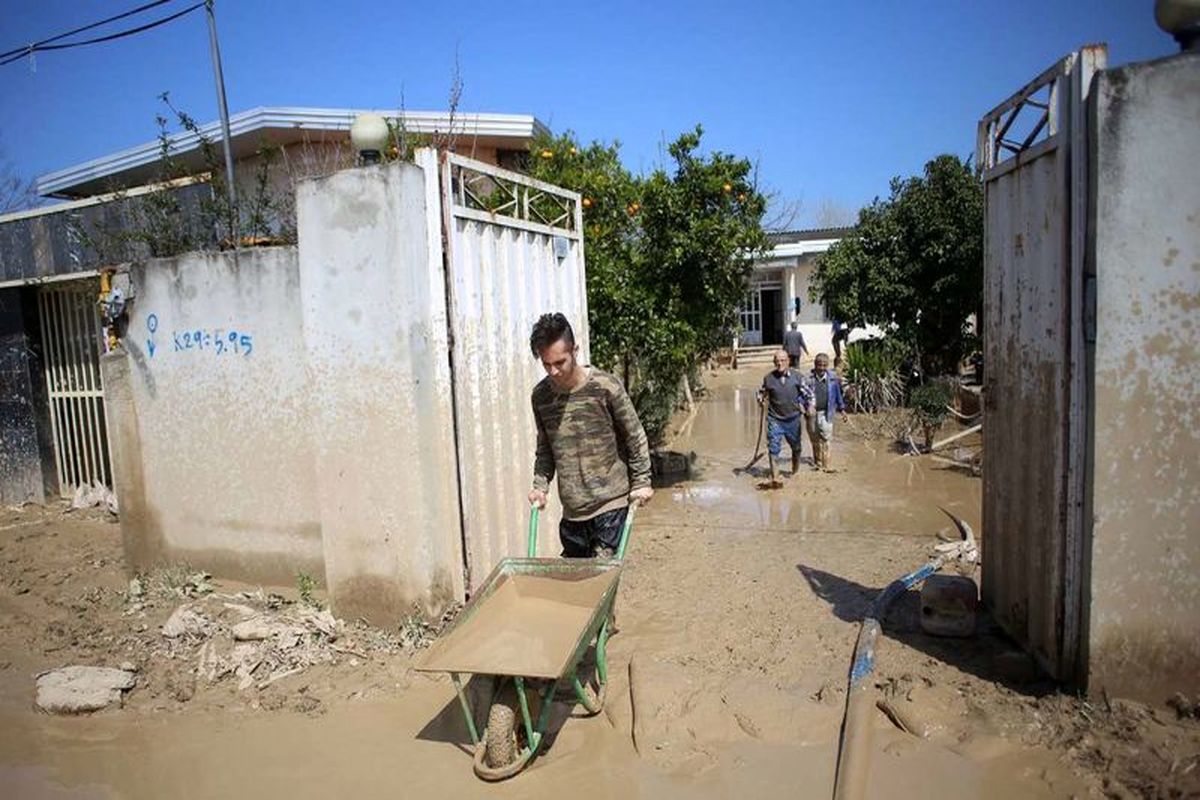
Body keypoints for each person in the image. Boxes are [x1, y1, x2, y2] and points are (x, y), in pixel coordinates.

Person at [527, 313, 653, 559]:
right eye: (546, 364)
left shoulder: (606, 387)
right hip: (573, 512)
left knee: (597, 578)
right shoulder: (541, 397)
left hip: (610, 504)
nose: (553, 371)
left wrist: (641, 482)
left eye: (559, 362)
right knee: (577, 589)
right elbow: (546, 449)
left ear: (575, 350)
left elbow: (635, 435)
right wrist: (540, 487)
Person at [758, 349, 812, 486]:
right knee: (773, 447)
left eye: (782, 360)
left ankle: (795, 472)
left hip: (793, 419)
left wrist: (810, 406)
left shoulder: (797, 377)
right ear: (774, 362)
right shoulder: (768, 378)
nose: (779, 363)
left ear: (788, 361)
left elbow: (809, 394)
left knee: (796, 447)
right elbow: (761, 392)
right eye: (777, 361)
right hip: (775, 418)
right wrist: (760, 399)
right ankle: (775, 477)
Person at [806, 352, 846, 471]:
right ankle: (817, 462)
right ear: (815, 365)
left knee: (826, 439)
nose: (822, 368)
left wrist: (842, 410)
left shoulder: (833, 379)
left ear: (827, 365)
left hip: (827, 413)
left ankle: (826, 465)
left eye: (824, 365)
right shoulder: (808, 380)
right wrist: (804, 407)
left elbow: (838, 395)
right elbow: (801, 396)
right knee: (815, 439)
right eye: (819, 365)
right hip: (812, 415)